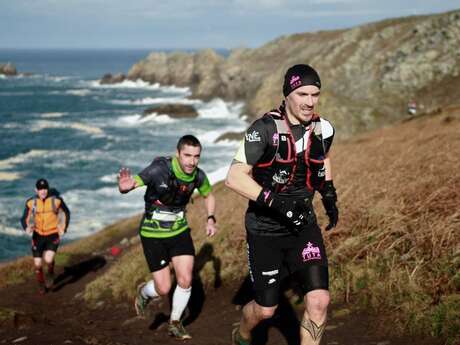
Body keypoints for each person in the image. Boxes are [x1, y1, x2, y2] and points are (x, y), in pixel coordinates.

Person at [226, 64, 339, 345]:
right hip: (265, 229)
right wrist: (278, 205)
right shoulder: (263, 130)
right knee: (265, 310)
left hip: (303, 226)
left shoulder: (324, 129)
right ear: (288, 93)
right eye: (303, 94)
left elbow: (321, 160)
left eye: (315, 94)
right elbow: (234, 177)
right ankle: (241, 333)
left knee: (319, 300)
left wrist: (329, 195)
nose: (310, 102)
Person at [118, 134, 217, 340]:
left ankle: (175, 322)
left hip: (179, 232)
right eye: (187, 155)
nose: (192, 161)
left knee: (185, 279)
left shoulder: (198, 176)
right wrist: (124, 186)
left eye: (196, 156)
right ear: (178, 153)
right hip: (153, 234)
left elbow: (209, 195)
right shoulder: (159, 169)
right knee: (163, 288)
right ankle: (143, 293)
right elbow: (133, 182)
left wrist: (210, 218)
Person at [20, 178, 70, 294]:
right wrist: (26, 227)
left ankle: (51, 272)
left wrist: (63, 228)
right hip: (37, 236)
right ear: (36, 190)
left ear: (47, 189)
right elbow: (24, 218)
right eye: (40, 189)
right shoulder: (31, 202)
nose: (43, 191)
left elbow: (66, 213)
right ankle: (41, 284)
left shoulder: (56, 201)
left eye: (45, 189)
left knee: (48, 259)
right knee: (37, 265)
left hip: (52, 234)